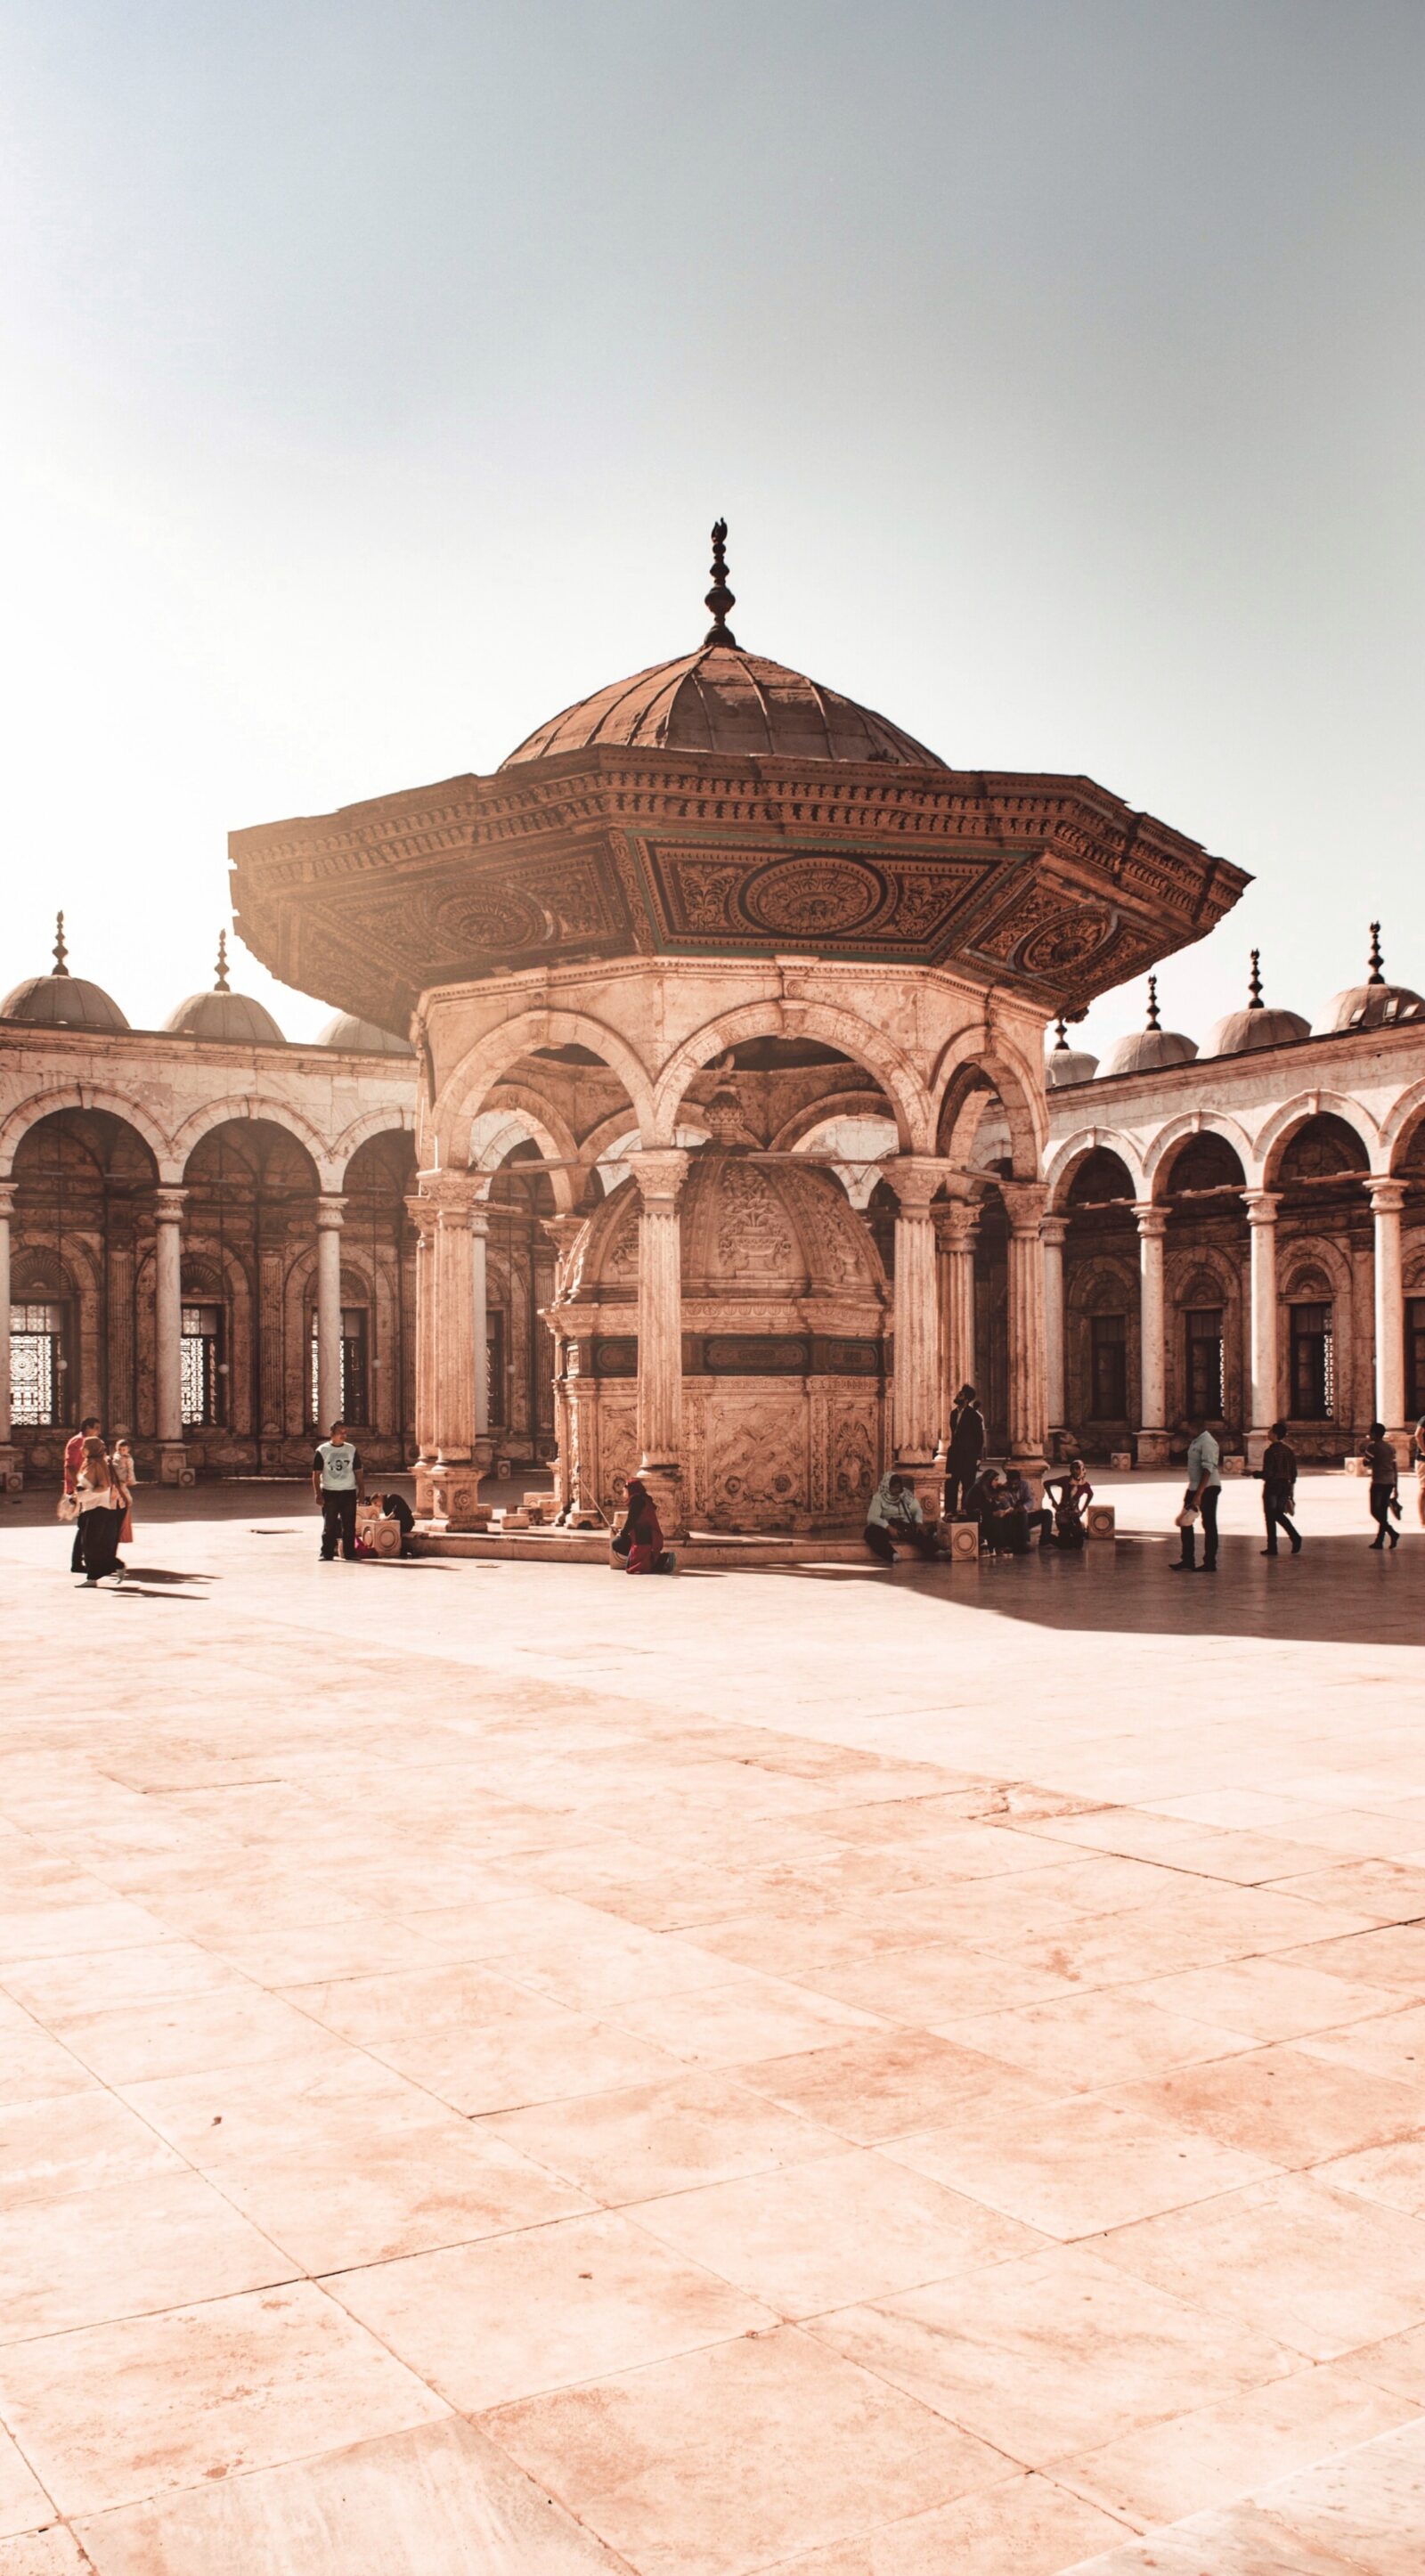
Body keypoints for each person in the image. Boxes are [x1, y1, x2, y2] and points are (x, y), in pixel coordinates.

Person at [75, 1437, 127, 1587]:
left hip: (98, 1508)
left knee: (91, 1545)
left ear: (91, 1448)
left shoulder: (98, 1465)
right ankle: (95, 1576)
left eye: (84, 1447)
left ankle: (114, 1565)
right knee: (89, 1545)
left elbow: (103, 1488)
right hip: (88, 1507)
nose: (81, 1450)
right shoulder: (89, 1463)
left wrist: (80, 1496)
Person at [1172, 1414, 1221, 1572]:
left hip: (1208, 1487)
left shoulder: (1208, 1442)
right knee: (1185, 1521)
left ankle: (1210, 1562)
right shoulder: (1197, 1441)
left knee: (1208, 1523)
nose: (1188, 1431)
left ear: (1197, 1427)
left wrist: (1199, 1494)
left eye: (1190, 1428)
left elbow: (1208, 1469)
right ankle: (1187, 1559)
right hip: (1194, 1486)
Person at [312, 1420, 364, 1561]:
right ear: (332, 1433)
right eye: (340, 1433)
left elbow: (358, 1471)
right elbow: (316, 1474)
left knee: (349, 1525)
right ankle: (327, 1553)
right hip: (330, 1492)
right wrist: (318, 1493)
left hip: (348, 1491)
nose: (343, 1435)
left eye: (345, 1433)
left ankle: (350, 1553)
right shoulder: (322, 1450)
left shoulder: (351, 1449)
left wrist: (362, 1490)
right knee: (330, 1525)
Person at [864, 1472, 940, 1564]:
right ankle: (892, 1555)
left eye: (898, 1487)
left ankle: (937, 1552)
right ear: (887, 1486)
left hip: (905, 1526)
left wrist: (918, 1522)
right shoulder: (879, 1497)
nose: (896, 1490)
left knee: (924, 1531)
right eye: (894, 1487)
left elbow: (916, 1509)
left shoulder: (905, 1494)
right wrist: (888, 1527)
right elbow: (872, 1517)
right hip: (888, 1527)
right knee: (870, 1532)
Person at [614, 1477, 677, 1573]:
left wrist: (622, 1533)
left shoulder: (637, 1501)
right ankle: (657, 1560)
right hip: (648, 1536)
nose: (624, 1492)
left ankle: (661, 1559)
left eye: (625, 1489)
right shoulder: (642, 1499)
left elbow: (631, 1520)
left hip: (646, 1536)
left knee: (617, 1543)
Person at [62, 1416, 102, 1573]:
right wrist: (77, 1487)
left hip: (85, 1488)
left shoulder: (87, 1442)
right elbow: (70, 1466)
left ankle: (83, 1559)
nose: (98, 1431)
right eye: (96, 1428)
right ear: (87, 1427)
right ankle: (77, 1562)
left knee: (86, 1525)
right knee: (84, 1526)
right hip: (79, 1489)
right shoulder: (78, 1442)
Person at [943, 1386, 986, 1520]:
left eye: (960, 1395)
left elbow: (979, 1438)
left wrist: (977, 1457)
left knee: (968, 1485)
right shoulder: (953, 1413)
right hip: (954, 1455)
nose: (957, 1396)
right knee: (951, 1484)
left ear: (966, 1399)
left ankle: (966, 1512)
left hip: (968, 1456)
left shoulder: (974, 1416)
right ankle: (950, 1511)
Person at [1259, 1422, 1301, 1557]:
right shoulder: (1288, 1451)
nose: (1268, 1433)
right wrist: (1292, 1489)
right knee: (1278, 1514)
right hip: (1285, 1486)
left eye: (1270, 1431)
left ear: (1275, 1434)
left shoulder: (1270, 1451)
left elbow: (1268, 1474)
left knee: (1270, 1516)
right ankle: (1294, 1536)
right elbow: (1293, 1472)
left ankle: (1272, 1547)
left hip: (1273, 1486)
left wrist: (1252, 1474)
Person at [1364, 1422, 1400, 1551]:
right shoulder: (1391, 1448)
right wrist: (1396, 1486)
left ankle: (1392, 1532)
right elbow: (1395, 1468)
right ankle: (1379, 1540)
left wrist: (1367, 1450)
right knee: (1383, 1511)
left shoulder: (1372, 1447)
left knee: (1374, 1510)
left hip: (1378, 1482)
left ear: (1374, 1434)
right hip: (1390, 1481)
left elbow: (1365, 1462)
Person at [1043, 1458, 1093, 1550]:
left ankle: (1067, 1538)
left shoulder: (1085, 1485)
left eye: (1077, 1468)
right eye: (1073, 1468)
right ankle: (1048, 1537)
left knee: (1078, 1545)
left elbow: (1090, 1495)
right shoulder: (1065, 1480)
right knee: (1065, 1545)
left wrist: (1083, 1510)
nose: (1075, 1471)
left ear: (1082, 1469)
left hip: (1074, 1514)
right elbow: (1046, 1484)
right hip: (1062, 1514)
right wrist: (1053, 1501)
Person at [110, 1432, 135, 1555]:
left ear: (128, 1449)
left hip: (122, 1481)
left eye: (124, 1449)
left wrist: (130, 1480)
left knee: (126, 1499)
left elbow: (130, 1471)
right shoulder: (115, 1457)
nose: (121, 1451)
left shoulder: (129, 1459)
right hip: (115, 1482)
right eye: (119, 1449)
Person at [379, 1490, 416, 1554]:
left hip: (406, 1523)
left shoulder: (393, 1497)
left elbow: (395, 1511)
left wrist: (387, 1518)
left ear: (379, 1497)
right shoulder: (384, 1506)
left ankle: (405, 1549)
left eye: (375, 1502)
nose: (377, 1505)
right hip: (397, 1524)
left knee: (394, 1532)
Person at [1414, 1417, 1425, 1529]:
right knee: (1424, 1488)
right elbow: (1418, 1435)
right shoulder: (1424, 1419)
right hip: (1423, 1460)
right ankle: (1423, 1520)